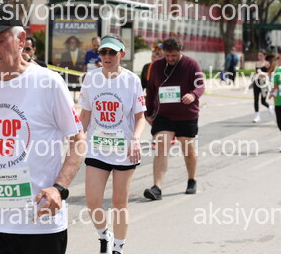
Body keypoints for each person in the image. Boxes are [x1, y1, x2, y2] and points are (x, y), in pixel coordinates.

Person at [0, 3, 86, 254]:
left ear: (21, 40)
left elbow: (78, 140)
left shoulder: (48, 83)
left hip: (39, 223)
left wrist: (59, 189)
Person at [79, 35, 146, 254]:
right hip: (97, 148)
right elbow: (85, 114)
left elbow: (140, 117)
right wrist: (76, 139)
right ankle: (104, 235)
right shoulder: (91, 78)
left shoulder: (131, 80)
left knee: (119, 203)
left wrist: (135, 139)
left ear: (121, 54)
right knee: (92, 201)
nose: (106, 56)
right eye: (103, 52)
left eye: (112, 52)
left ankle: (118, 247)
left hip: (124, 150)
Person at [144, 37, 204, 200]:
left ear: (180, 51)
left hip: (186, 115)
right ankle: (157, 187)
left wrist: (193, 95)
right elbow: (151, 89)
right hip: (164, 115)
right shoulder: (157, 66)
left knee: (188, 149)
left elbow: (200, 85)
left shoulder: (191, 64)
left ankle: (191, 180)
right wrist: (148, 112)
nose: (170, 59)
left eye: (174, 56)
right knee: (161, 146)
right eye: (167, 55)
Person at [252, 51, 272, 123]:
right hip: (256, 82)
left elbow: (270, 73)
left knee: (263, 101)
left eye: (261, 55)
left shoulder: (267, 64)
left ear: (264, 56)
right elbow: (255, 72)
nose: (259, 57)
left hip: (264, 83)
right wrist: (254, 76)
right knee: (256, 99)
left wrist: (264, 74)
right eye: (258, 55)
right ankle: (257, 116)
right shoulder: (257, 63)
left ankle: (270, 107)